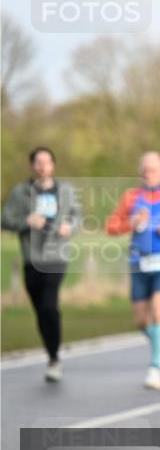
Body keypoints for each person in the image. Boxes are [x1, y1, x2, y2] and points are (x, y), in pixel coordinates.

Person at [106, 151, 160, 390]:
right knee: (141, 320)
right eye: (144, 170)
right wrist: (130, 223)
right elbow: (111, 226)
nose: (148, 174)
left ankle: (155, 368)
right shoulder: (131, 197)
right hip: (138, 262)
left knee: (158, 306)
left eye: (153, 169)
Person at [2, 147, 80, 382]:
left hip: (56, 257)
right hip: (31, 259)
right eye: (38, 162)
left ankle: (54, 359)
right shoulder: (21, 192)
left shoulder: (65, 190)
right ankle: (52, 352)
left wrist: (70, 226)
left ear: (53, 166)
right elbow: (5, 219)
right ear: (32, 166)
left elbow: (77, 215)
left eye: (47, 162)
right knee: (40, 310)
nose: (43, 166)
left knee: (49, 305)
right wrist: (26, 221)